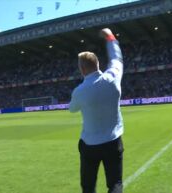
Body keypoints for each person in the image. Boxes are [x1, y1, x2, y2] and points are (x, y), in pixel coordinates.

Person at [69, 28, 124, 193]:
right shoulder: (113, 77)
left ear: (82, 69)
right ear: (98, 64)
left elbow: (72, 109)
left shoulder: (80, 91)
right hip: (113, 141)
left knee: (88, 186)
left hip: (90, 145)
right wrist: (110, 38)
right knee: (115, 184)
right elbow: (116, 59)